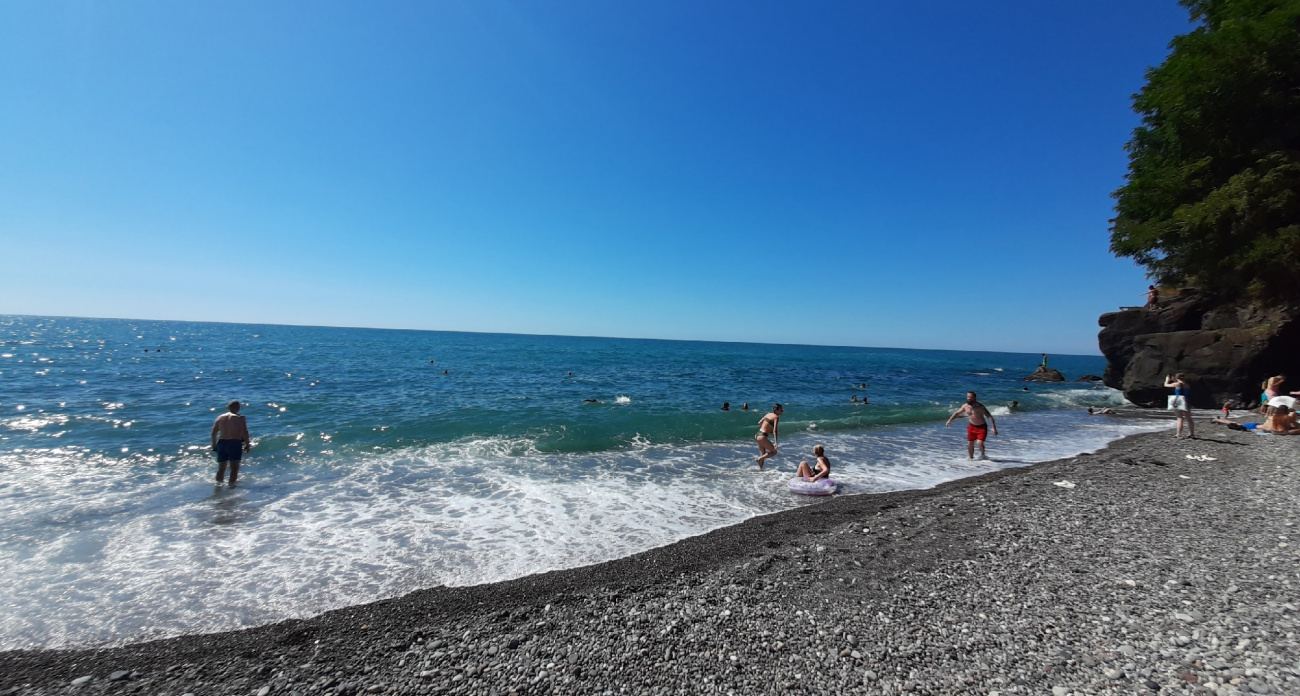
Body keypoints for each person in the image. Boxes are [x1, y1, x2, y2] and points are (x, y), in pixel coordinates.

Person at [945, 392, 998, 460]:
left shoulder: (980, 406)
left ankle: (983, 455)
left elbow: (989, 416)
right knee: (970, 443)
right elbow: (957, 413)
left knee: (980, 443)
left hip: (982, 427)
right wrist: (949, 420)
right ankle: (971, 458)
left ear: (975, 398)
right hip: (972, 427)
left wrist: (994, 428)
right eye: (968, 397)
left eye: (971, 397)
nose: (969, 398)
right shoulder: (965, 406)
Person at [211, 400, 251, 486]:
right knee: (234, 468)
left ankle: (218, 488)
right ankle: (231, 490)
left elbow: (214, 433)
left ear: (228, 408)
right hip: (234, 443)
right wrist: (248, 444)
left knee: (221, 468)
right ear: (238, 408)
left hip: (221, 443)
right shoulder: (240, 418)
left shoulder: (220, 417)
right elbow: (245, 432)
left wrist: (214, 445)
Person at [1164, 373, 1195, 438]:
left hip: (1179, 401)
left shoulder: (1177, 384)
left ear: (1177, 378)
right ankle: (1191, 433)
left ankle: (1178, 434)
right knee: (1189, 418)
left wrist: (1167, 380)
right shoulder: (1187, 385)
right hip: (1186, 400)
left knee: (1180, 418)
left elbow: (1166, 385)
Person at [755, 404, 783, 469]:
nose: (782, 411)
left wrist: (767, 428)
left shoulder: (768, 414)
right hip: (762, 436)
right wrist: (776, 442)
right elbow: (775, 431)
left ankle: (760, 470)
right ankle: (759, 459)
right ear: (776, 410)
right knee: (774, 452)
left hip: (757, 434)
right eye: (781, 410)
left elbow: (759, 423)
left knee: (763, 453)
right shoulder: (776, 417)